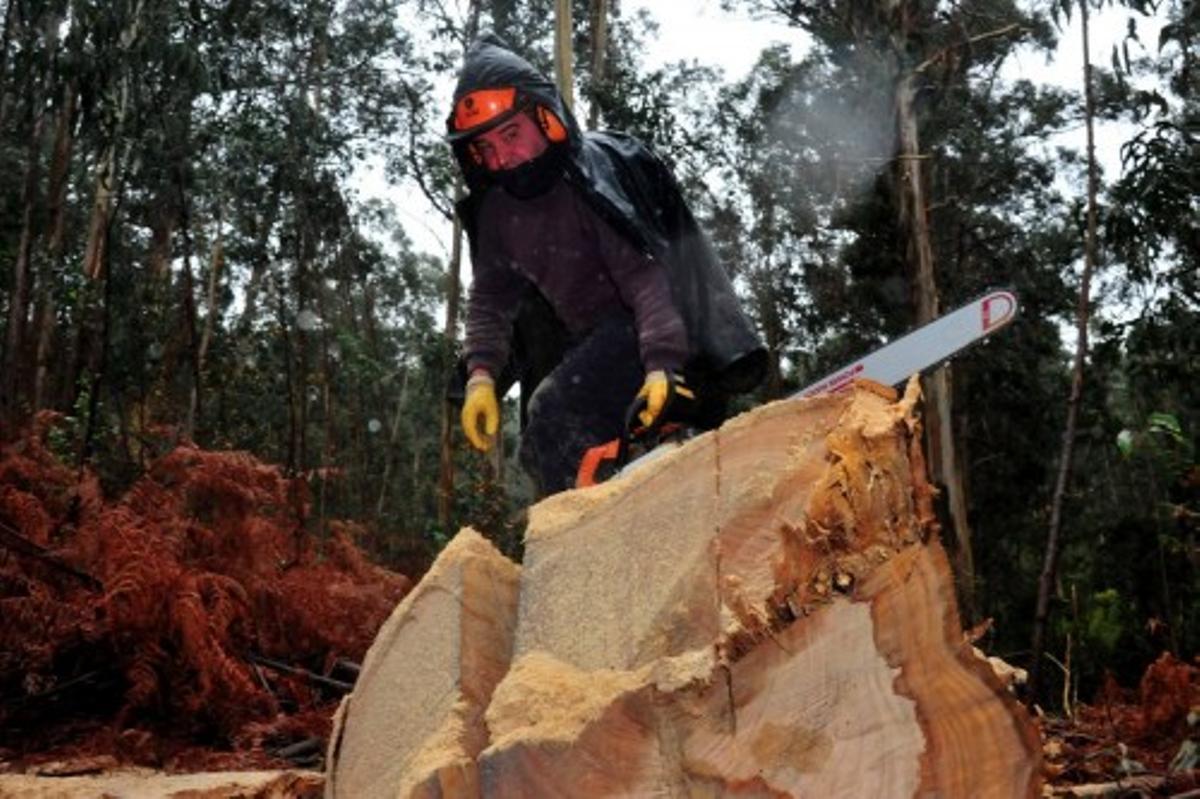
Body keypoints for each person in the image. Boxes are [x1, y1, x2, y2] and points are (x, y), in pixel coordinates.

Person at [448, 32, 765, 497]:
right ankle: (606, 515)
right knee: (540, 447)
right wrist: (480, 377)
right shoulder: (497, 212)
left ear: (546, 118)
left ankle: (588, 529)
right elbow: (491, 300)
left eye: (511, 135)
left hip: (651, 326)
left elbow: (645, 277)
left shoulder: (587, 178)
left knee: (553, 411)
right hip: (586, 344)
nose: (502, 157)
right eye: (486, 150)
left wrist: (662, 365)